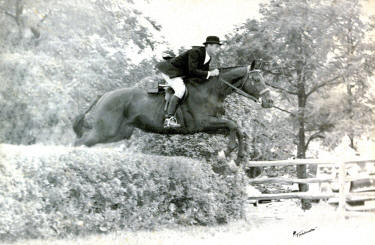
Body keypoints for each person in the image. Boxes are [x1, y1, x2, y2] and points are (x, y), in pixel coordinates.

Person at [156, 36, 222, 128]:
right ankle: (168, 119)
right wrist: (210, 73)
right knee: (180, 90)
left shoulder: (208, 58)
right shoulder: (195, 52)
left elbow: (202, 75)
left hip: (180, 73)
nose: (218, 49)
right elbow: (193, 71)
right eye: (216, 46)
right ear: (209, 45)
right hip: (170, 71)